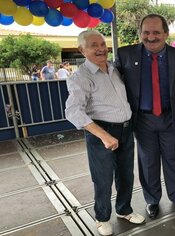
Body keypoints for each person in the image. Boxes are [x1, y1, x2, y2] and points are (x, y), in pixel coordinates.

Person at [65, 30, 145, 236]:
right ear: (82, 50)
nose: (101, 48)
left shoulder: (114, 69)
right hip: (102, 131)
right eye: (94, 45)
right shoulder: (80, 77)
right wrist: (104, 135)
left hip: (125, 129)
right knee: (102, 178)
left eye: (102, 44)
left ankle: (124, 210)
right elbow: (73, 111)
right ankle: (102, 218)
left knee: (126, 174)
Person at [116, 14, 175, 219]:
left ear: (165, 33)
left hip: (170, 117)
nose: (151, 37)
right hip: (143, 119)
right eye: (146, 32)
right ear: (140, 33)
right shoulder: (125, 55)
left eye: (156, 32)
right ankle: (152, 200)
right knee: (148, 162)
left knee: (174, 159)